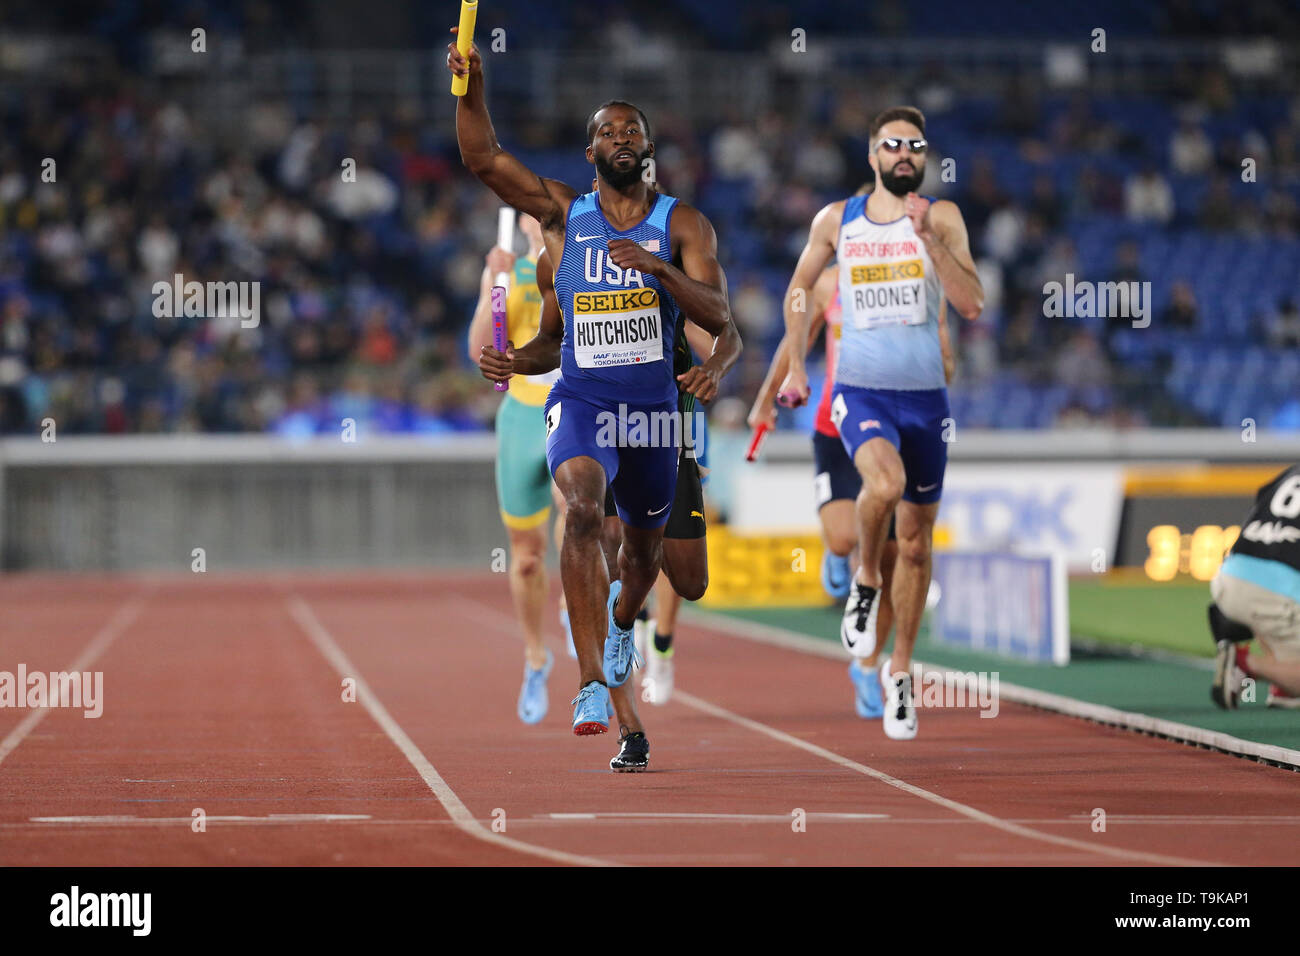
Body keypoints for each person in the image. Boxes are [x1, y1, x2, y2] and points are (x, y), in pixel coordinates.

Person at [449, 36, 737, 771]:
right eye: (607, 130)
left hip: (651, 416)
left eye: (632, 131)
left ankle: (621, 627)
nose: (620, 138)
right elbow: (485, 161)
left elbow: (720, 318)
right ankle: (587, 685)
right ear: (590, 152)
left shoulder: (682, 226)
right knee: (579, 508)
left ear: (647, 150)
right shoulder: (561, 218)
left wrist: (658, 272)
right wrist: (472, 90)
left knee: (646, 562)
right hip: (581, 402)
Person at [777, 106, 983, 740]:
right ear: (872, 155)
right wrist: (794, 370)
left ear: (923, 158)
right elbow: (797, 288)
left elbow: (971, 303)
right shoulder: (837, 221)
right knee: (884, 488)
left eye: (914, 147)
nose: (903, 154)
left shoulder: (942, 218)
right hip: (859, 391)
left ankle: (899, 673)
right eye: (891, 145)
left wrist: (927, 241)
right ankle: (865, 577)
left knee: (917, 546)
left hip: (925, 400)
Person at [750, 234, 956, 720]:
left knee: (888, 560)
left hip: (896, 429)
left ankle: (867, 665)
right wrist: (768, 396)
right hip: (836, 423)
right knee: (844, 539)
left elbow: (945, 356)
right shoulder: (827, 285)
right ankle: (838, 556)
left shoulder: (917, 286)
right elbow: (795, 337)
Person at [467, 213, 568, 724]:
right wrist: (494, 289)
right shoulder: (507, 270)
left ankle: (577, 603)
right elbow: (480, 352)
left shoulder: (580, 262)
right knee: (526, 558)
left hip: (570, 403)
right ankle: (535, 657)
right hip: (520, 417)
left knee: (576, 504)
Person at [1210, 464, 1300, 710]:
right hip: (1274, 597)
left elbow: (1261, 502)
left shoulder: (1292, 472)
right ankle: (1245, 663)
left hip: (1229, 580)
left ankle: (1284, 681)